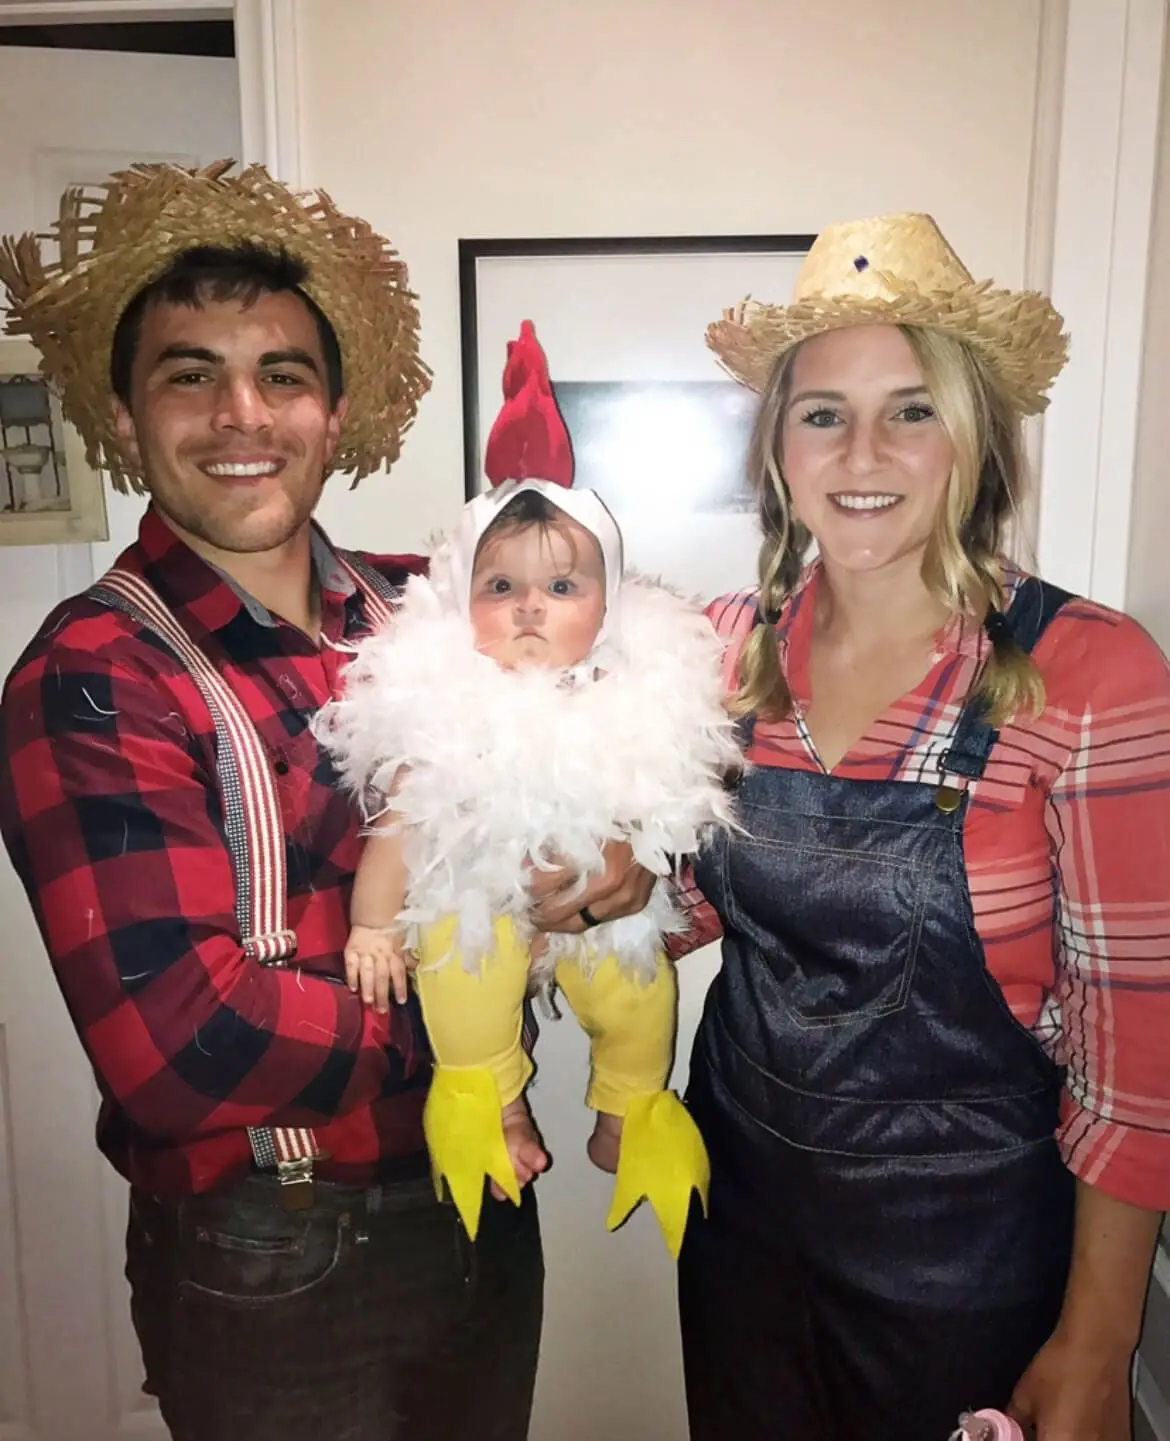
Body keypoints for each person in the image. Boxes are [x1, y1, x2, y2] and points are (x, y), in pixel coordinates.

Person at [0, 160, 653, 1441]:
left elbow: (654, 708)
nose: (241, 412)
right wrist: (485, 1016)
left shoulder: (440, 607)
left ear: (333, 410)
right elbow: (182, 1050)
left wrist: (628, 883)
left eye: (282, 374)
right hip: (275, 1257)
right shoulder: (93, 672)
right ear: (125, 421)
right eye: (189, 373)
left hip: (481, 1203)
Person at [671, 212, 1170, 1441]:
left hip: (975, 1270)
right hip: (742, 1234)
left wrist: (1099, 1340)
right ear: (777, 445)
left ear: (976, 441)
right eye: (823, 411)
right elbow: (677, 906)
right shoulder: (712, 653)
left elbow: (1137, 1054)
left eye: (913, 407)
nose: (864, 450)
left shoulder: (1089, 670)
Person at [313, 320, 735, 1255]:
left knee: (640, 990)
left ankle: (631, 1107)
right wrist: (373, 924)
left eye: (561, 586)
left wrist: (642, 856)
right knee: (465, 981)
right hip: (478, 900)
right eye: (500, 585)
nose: (531, 606)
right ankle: (489, 1100)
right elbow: (397, 829)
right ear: (459, 602)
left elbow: (672, 803)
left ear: (610, 606)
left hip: (599, 903)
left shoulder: (634, 695)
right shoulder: (445, 712)